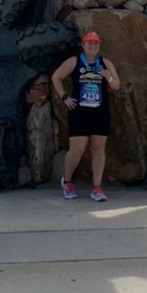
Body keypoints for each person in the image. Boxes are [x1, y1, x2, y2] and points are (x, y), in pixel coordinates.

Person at [51, 31, 120, 201]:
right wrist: (64, 97)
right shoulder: (74, 62)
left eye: (95, 43)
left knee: (98, 149)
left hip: (99, 111)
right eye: (89, 43)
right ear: (83, 45)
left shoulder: (105, 63)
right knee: (77, 149)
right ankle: (67, 181)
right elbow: (56, 77)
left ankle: (97, 188)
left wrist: (109, 77)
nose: (93, 46)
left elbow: (117, 86)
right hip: (79, 112)